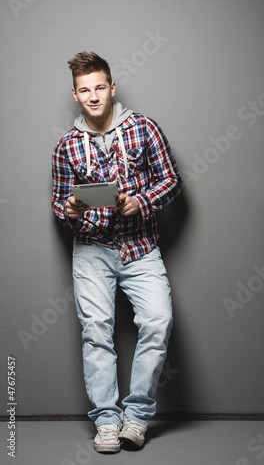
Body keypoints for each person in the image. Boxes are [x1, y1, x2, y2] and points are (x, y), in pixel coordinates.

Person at [51, 52, 182, 453]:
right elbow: (59, 204)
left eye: (99, 87)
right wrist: (70, 210)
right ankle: (107, 421)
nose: (93, 96)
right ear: (75, 93)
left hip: (141, 247)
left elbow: (172, 181)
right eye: (85, 90)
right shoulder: (66, 147)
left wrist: (139, 202)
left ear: (112, 87)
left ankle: (136, 417)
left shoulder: (144, 129)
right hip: (91, 250)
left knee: (158, 323)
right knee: (97, 334)